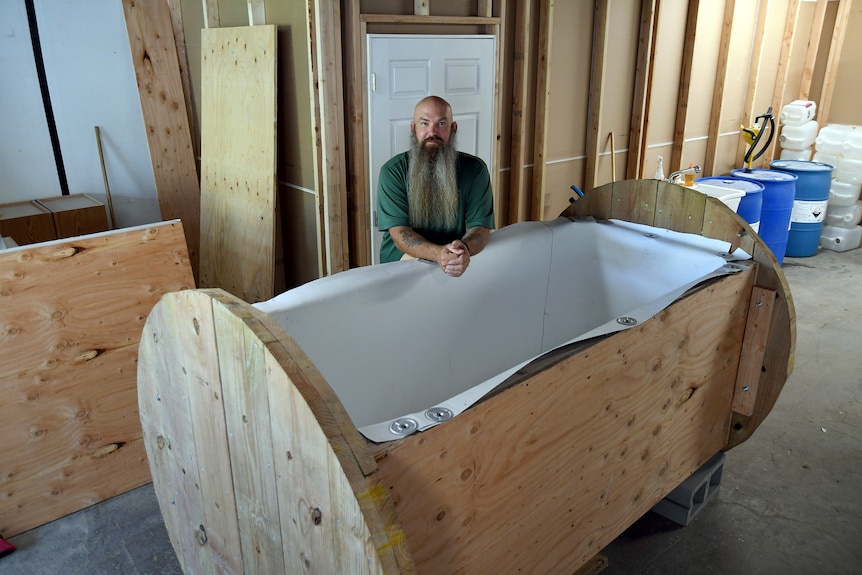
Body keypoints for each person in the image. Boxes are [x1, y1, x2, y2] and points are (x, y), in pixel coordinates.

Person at [376, 96, 495, 277]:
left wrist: (463, 249)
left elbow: (480, 229)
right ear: (413, 128)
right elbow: (400, 232)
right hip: (401, 267)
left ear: (453, 129)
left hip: (455, 265)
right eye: (424, 123)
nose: (432, 132)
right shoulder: (393, 171)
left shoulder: (475, 170)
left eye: (441, 124)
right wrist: (438, 254)